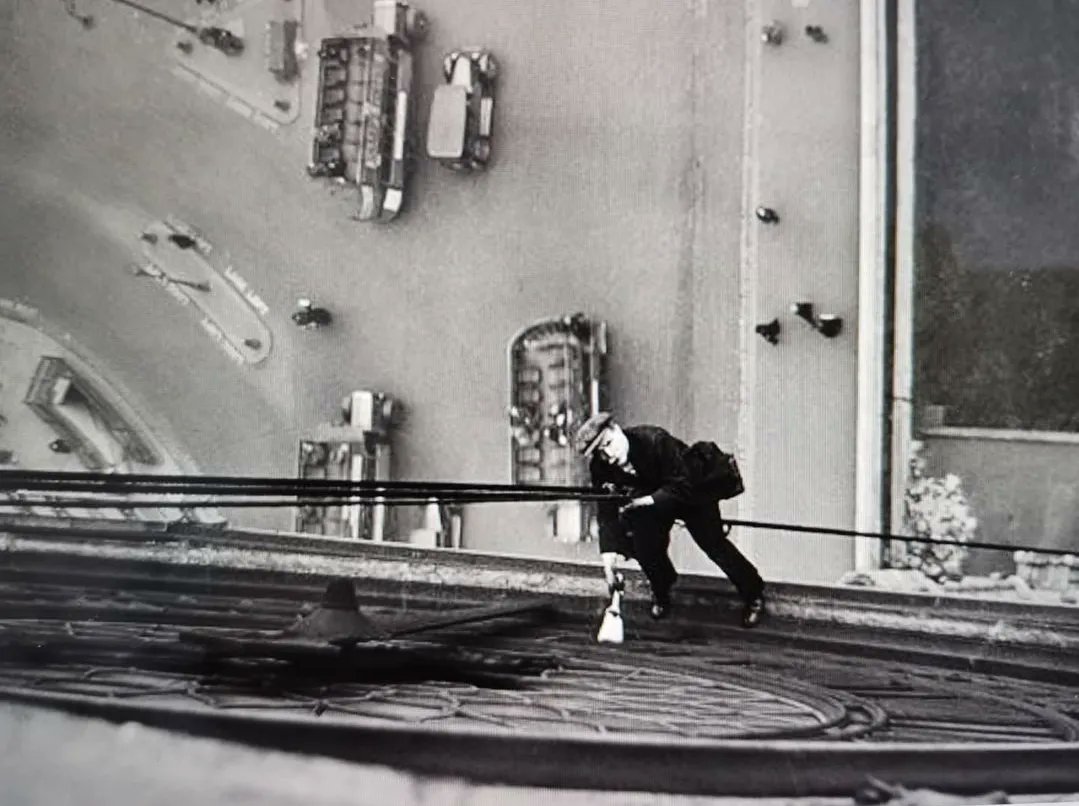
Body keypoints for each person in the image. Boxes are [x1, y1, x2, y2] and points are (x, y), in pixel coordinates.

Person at [574, 412, 766, 628]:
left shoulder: (655, 440)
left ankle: (754, 593)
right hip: (649, 501)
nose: (609, 455)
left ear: (616, 429)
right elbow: (606, 511)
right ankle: (662, 588)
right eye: (601, 452)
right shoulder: (601, 468)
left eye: (609, 443)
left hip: (689, 494)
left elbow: (681, 485)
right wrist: (608, 558)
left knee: (714, 545)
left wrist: (645, 501)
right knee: (646, 549)